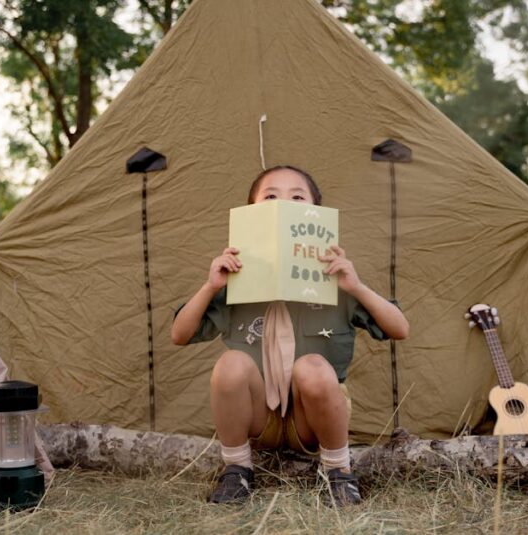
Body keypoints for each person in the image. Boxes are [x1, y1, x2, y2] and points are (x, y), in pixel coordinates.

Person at [172, 165, 409, 507]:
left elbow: (399, 329)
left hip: (312, 420)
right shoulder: (236, 281)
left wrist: (354, 285)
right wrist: (211, 286)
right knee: (230, 363)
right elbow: (179, 335)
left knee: (312, 365)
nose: (283, 202)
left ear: (315, 213)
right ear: (252, 213)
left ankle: (338, 472)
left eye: (297, 197)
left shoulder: (334, 280)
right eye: (270, 196)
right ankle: (237, 469)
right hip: (258, 417)